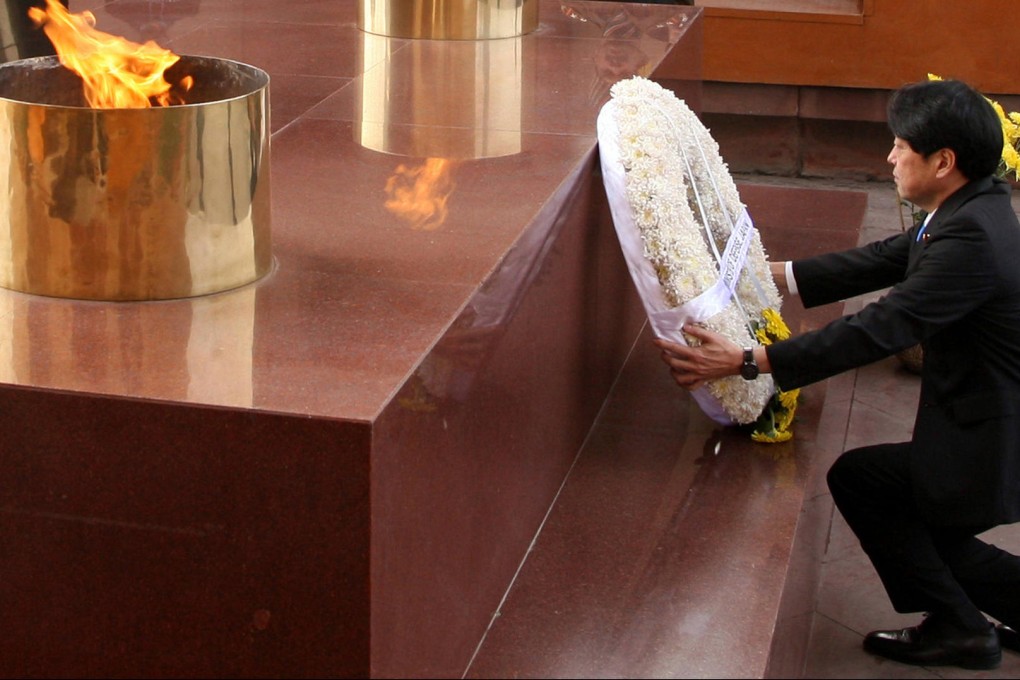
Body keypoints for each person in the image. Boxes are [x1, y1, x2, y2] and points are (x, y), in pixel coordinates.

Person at [654, 77, 1020, 671]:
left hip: (991, 441)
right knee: (919, 526)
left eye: (902, 146)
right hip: (981, 425)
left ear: (943, 161)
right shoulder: (971, 207)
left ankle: (961, 630)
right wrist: (765, 273)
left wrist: (752, 362)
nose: (890, 156)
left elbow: (881, 328)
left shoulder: (972, 237)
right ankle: (971, 620)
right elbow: (885, 259)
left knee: (876, 493)